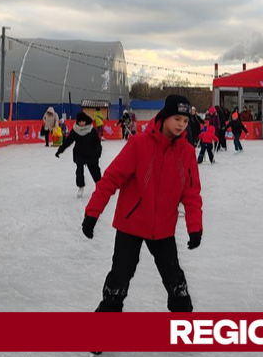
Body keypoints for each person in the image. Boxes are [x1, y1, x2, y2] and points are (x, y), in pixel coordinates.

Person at [83, 94, 202, 325]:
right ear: (165, 116)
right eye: (177, 118)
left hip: (164, 228)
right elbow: (110, 179)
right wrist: (92, 213)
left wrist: (194, 227)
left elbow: (191, 194)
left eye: (185, 121)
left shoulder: (186, 152)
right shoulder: (139, 144)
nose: (181, 124)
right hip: (132, 225)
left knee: (175, 280)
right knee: (119, 279)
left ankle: (184, 326)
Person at [56, 112, 103, 198]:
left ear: (86, 121)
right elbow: (68, 141)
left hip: (91, 154)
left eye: (83, 121)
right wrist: (60, 150)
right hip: (79, 153)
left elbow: (97, 144)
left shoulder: (92, 130)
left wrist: (97, 153)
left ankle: (100, 187)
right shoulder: (75, 130)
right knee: (79, 172)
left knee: (95, 171)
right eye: (80, 122)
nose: (81, 123)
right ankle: (80, 187)